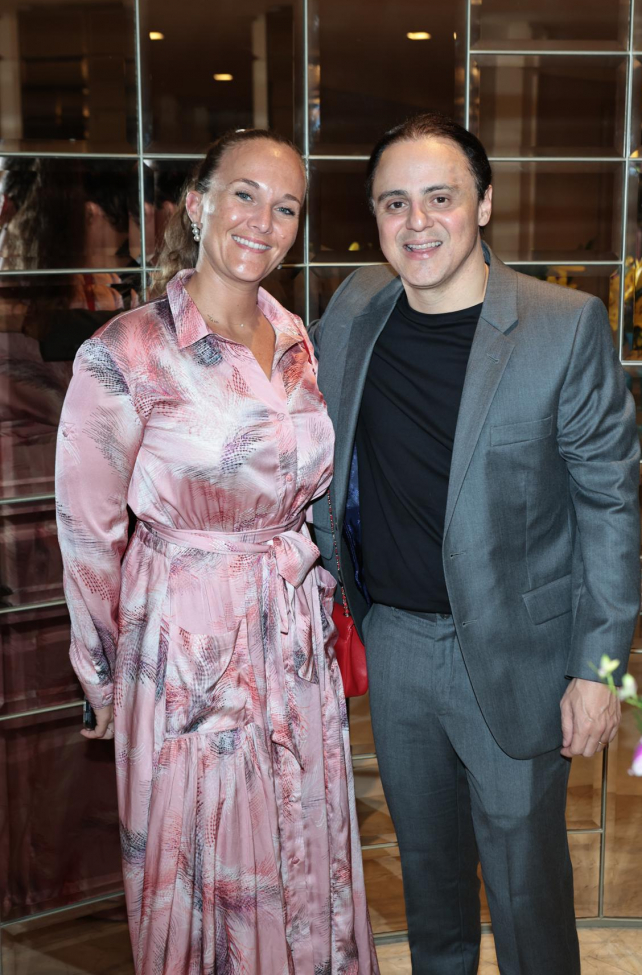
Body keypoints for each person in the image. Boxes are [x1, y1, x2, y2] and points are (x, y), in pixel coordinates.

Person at [309, 114, 641, 975]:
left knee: (527, 895)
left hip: (519, 656)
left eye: (440, 198)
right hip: (396, 644)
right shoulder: (353, 309)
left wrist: (598, 672)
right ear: (374, 217)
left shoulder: (561, 326)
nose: (416, 223)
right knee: (430, 888)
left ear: (484, 204)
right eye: (394, 203)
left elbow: (608, 507)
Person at [56, 129, 378, 975]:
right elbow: (88, 530)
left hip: (292, 640)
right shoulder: (124, 352)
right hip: (187, 648)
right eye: (244, 195)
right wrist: (100, 673)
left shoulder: (296, 338)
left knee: (302, 840)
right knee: (210, 865)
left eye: (286, 207)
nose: (262, 221)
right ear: (197, 205)